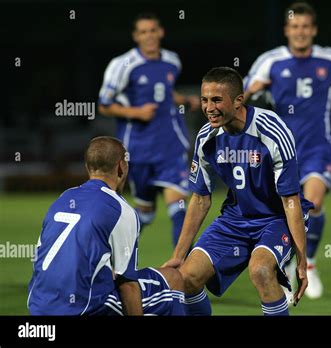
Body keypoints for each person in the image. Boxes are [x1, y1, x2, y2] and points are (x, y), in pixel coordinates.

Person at [163, 67, 314, 316]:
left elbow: (290, 201)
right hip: (235, 220)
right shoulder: (206, 137)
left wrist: (301, 261)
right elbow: (200, 199)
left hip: (275, 219)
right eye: (204, 100)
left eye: (216, 100)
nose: (209, 107)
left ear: (238, 100)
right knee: (186, 279)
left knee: (261, 271)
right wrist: (179, 255)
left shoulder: (273, 131)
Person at [243, 2, 331, 299]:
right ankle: (286, 263)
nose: (300, 32)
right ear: (287, 30)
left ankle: (309, 264)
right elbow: (241, 94)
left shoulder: (330, 59)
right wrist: (254, 88)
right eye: (295, 27)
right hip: (280, 148)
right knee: (284, 210)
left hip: (319, 146)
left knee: (313, 204)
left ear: (314, 30)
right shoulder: (270, 61)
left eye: (306, 27)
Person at [28, 136, 185, 315]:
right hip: (84, 308)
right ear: (121, 167)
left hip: (39, 306)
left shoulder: (62, 199)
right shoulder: (119, 208)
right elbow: (128, 285)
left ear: (87, 167)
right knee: (173, 278)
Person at [98, 12, 200, 246]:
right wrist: (136, 113)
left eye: (153, 30)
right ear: (136, 36)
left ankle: (183, 274)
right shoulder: (123, 64)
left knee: (180, 208)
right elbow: (104, 104)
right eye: (143, 32)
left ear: (161, 32)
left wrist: (184, 100)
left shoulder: (172, 61)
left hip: (170, 145)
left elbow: (164, 92)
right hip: (138, 148)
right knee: (145, 212)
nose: (149, 36)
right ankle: (113, 257)